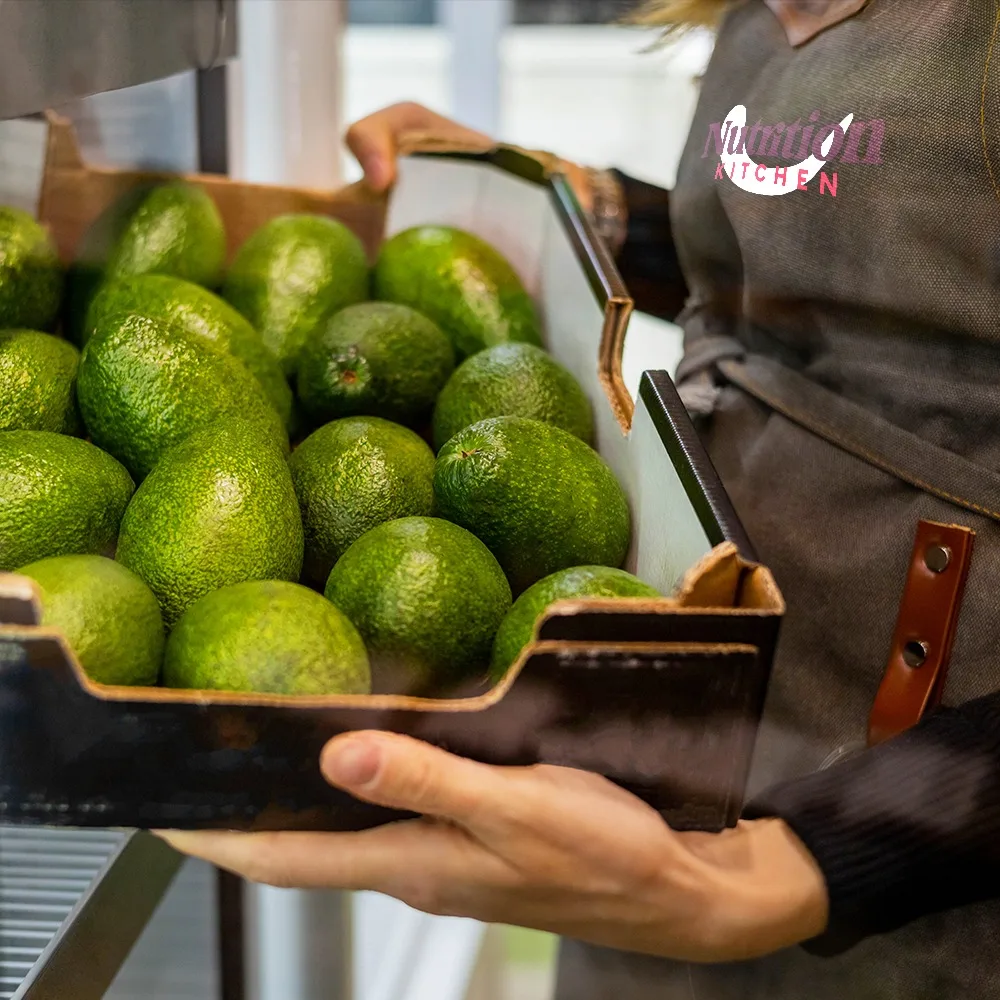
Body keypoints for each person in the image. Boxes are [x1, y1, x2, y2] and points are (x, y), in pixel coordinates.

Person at [160, 1, 1000, 996]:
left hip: (920, 822)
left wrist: (810, 858)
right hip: (686, 740)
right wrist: (588, 207)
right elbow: (804, 283)